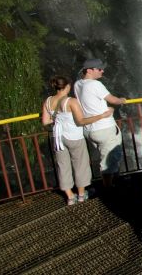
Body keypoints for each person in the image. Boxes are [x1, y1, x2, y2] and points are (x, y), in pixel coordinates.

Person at [40, 75, 113, 205]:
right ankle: (80, 195)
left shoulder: (48, 101)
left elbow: (45, 121)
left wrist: (59, 119)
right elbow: (81, 121)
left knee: (63, 166)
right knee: (80, 165)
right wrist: (102, 115)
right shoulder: (71, 101)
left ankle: (70, 197)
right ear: (67, 86)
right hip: (74, 137)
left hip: (58, 138)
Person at [74, 58, 128, 188]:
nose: (102, 71)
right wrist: (122, 100)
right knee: (109, 159)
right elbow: (113, 100)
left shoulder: (78, 84)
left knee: (108, 156)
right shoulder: (95, 85)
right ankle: (109, 188)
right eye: (99, 69)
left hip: (89, 129)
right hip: (104, 128)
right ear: (90, 70)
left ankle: (115, 181)